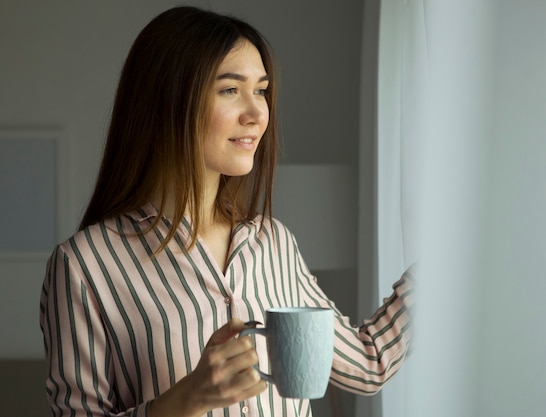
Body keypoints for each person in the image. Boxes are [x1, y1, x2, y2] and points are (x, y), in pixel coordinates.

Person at [39, 6, 414, 417]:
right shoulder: (84, 266)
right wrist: (185, 400)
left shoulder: (274, 242)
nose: (257, 115)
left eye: (262, 91)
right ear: (167, 100)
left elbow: (368, 364)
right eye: (231, 90)